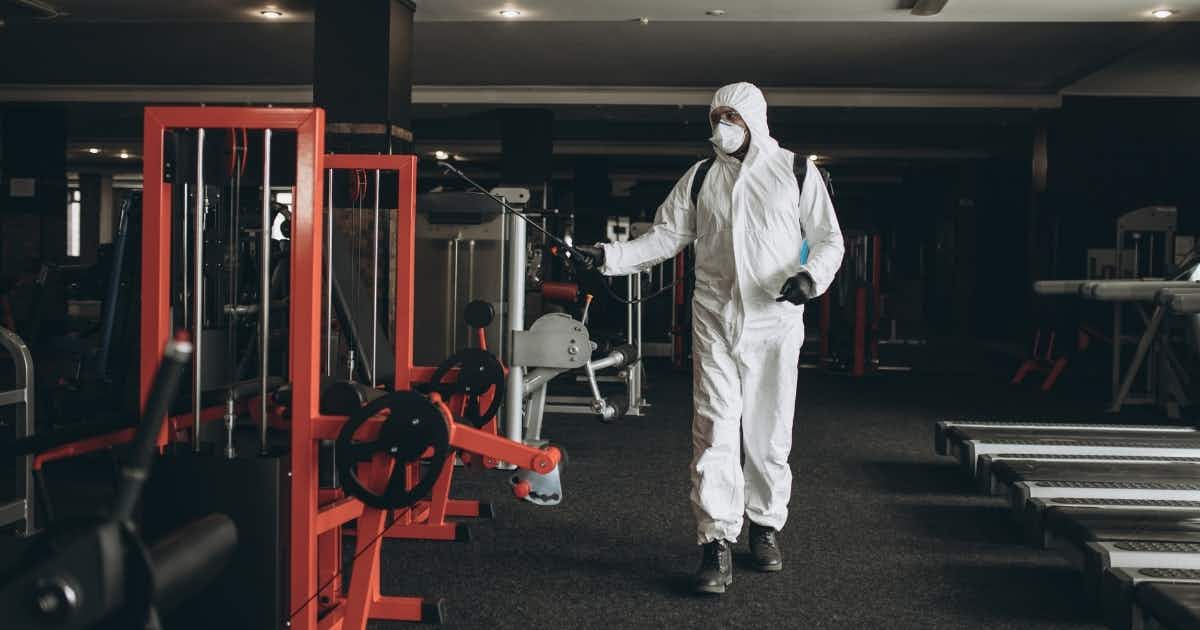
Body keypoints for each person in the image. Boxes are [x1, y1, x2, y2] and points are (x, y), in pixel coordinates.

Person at [575, 82, 844, 595]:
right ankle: (715, 540)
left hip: (776, 320)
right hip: (715, 318)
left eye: (731, 116)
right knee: (715, 428)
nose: (721, 125)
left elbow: (829, 238)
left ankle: (765, 527)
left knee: (769, 431)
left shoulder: (794, 170)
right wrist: (608, 257)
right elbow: (665, 236)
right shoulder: (701, 178)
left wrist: (810, 277)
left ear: (754, 118)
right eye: (716, 116)